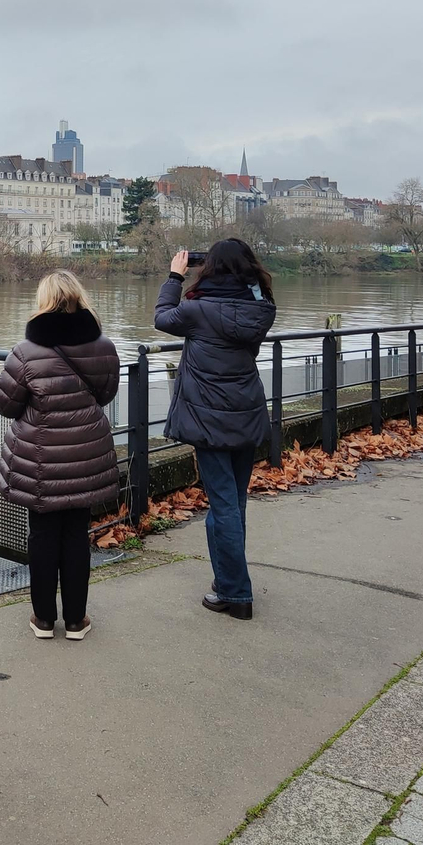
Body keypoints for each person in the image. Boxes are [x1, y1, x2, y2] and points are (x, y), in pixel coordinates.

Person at [0, 270, 120, 640]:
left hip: (41, 459)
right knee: (78, 535)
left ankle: (44, 619)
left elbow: (5, 403)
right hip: (86, 454)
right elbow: (106, 394)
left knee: (43, 536)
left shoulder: (26, 352)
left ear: (43, 302)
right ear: (80, 298)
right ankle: (77, 620)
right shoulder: (103, 347)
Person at [155, 240, 277, 621]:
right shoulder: (262, 309)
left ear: (211, 269)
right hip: (246, 413)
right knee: (233, 502)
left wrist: (176, 275)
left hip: (208, 420)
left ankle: (235, 593)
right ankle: (227, 579)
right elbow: (258, 292)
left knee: (222, 505)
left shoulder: (198, 310)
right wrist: (246, 274)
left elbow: (162, 317)